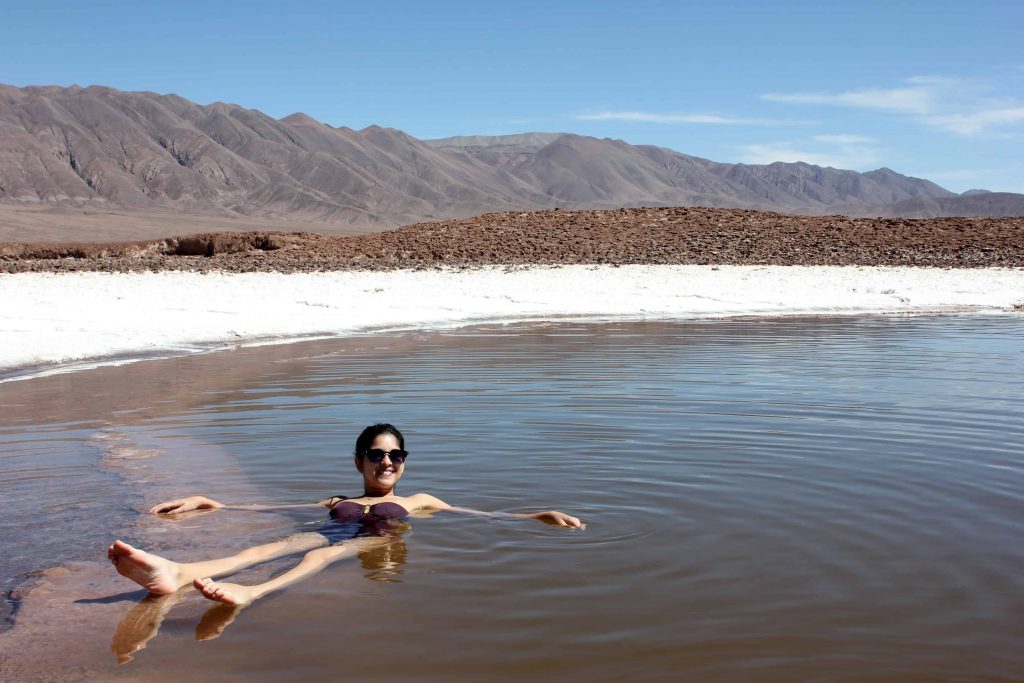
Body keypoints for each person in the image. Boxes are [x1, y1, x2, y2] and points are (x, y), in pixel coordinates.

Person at [108, 423, 583, 608]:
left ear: (404, 461)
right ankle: (174, 573)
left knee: (316, 561)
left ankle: (253, 591)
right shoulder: (333, 501)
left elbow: (485, 515)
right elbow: (268, 508)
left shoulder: (421, 500)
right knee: (267, 547)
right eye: (376, 455)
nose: (387, 463)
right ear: (359, 461)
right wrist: (208, 500)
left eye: (396, 455)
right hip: (329, 530)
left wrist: (540, 514)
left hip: (378, 542)